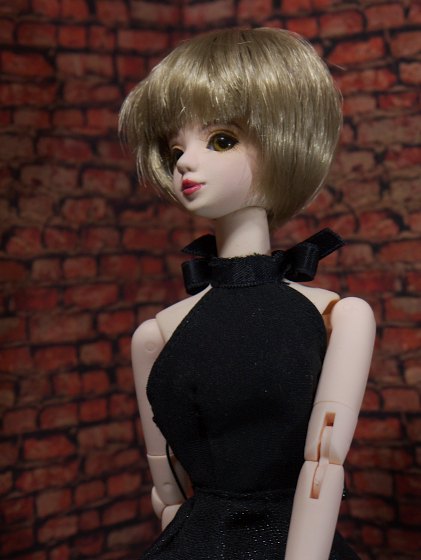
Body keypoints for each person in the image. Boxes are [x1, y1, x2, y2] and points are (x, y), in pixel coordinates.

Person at [119, 28, 376, 560]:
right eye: (175, 148)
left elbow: (324, 462)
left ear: (283, 142)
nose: (184, 163)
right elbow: (167, 484)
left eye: (220, 140)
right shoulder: (156, 334)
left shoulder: (338, 316)